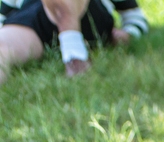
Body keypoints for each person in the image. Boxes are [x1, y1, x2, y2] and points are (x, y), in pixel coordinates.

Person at [0, 0, 145, 83]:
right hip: (34, 17)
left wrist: (128, 34)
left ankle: (74, 53)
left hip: (86, 14)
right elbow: (3, 17)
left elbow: (134, 16)